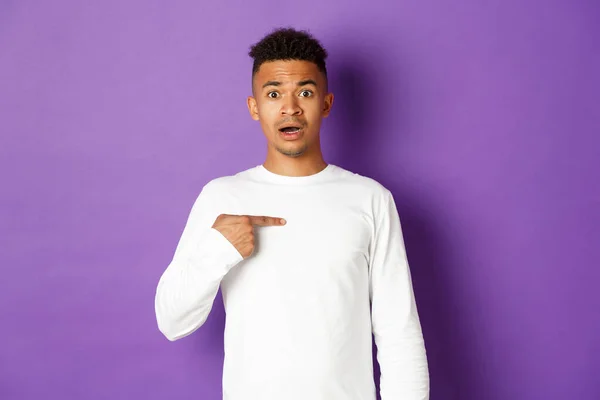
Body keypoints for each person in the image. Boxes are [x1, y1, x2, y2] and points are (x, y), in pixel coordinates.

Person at [154, 27, 430, 400]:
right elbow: (172, 321)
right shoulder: (223, 197)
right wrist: (217, 250)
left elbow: (399, 334)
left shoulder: (370, 199)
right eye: (273, 94)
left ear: (326, 104)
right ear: (254, 107)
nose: (290, 107)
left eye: (305, 92)